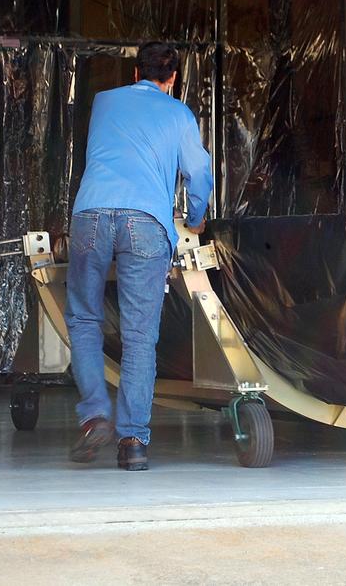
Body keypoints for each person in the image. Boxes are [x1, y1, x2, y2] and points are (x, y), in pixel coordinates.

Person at [66, 42, 214, 471]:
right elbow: (198, 174)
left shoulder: (104, 102)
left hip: (90, 215)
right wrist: (196, 216)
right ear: (172, 80)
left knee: (83, 318)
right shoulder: (179, 114)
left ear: (135, 73)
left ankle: (95, 415)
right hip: (147, 222)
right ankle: (133, 441)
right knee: (138, 335)